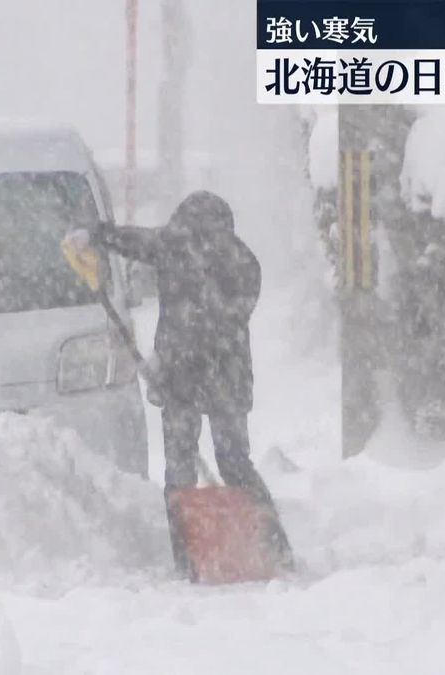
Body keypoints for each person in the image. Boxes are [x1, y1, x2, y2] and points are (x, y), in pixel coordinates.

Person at [79, 190, 293, 576]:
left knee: (187, 469)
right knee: (229, 464)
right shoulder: (235, 259)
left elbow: (219, 322)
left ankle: (196, 553)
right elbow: (137, 242)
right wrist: (101, 234)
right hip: (215, 379)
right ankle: (265, 544)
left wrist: (100, 233)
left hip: (191, 380)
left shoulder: (185, 250)